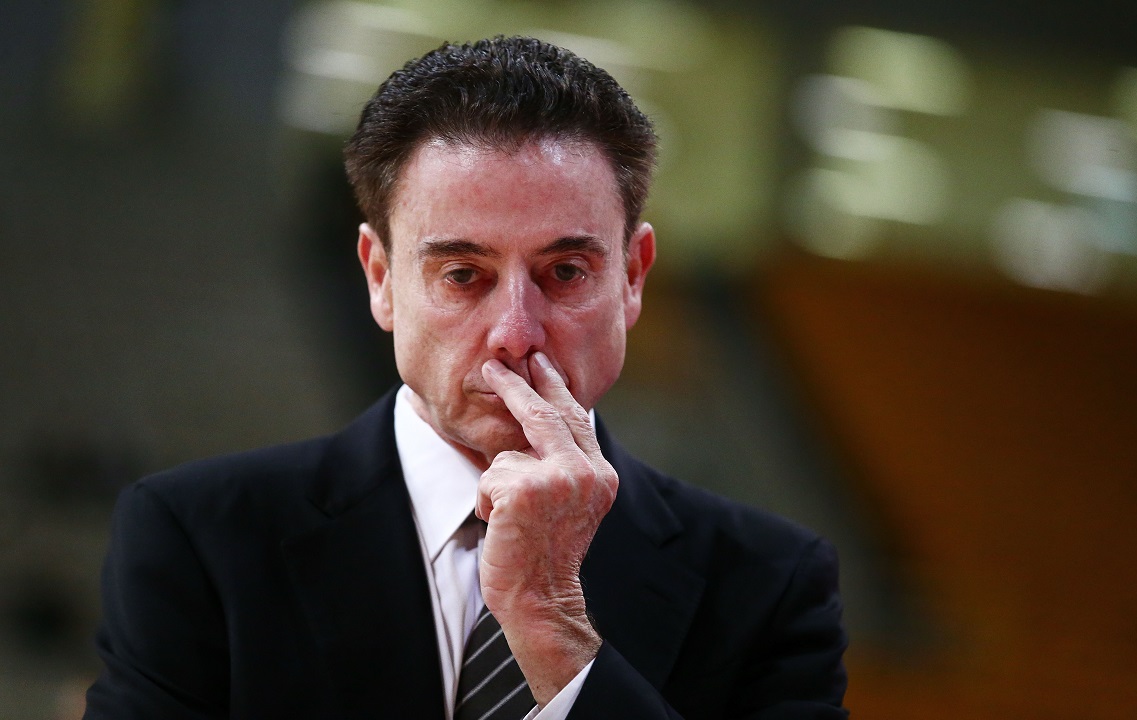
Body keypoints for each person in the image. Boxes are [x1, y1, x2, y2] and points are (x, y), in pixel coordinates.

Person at [83, 37, 848, 720]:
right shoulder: (198, 536)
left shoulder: (773, 582)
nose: (515, 331)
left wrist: (555, 634)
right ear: (380, 278)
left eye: (566, 271)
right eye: (461, 274)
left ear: (633, 278)